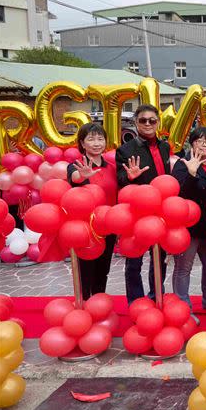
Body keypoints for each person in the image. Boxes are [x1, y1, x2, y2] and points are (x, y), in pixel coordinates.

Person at [116, 104, 171, 304]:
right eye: (143, 120)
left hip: (161, 210)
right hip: (136, 210)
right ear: (135, 123)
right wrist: (130, 177)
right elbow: (120, 178)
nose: (147, 124)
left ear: (158, 123)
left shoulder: (165, 146)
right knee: (134, 260)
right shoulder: (125, 149)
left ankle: (156, 296)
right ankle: (135, 301)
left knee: (160, 259)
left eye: (152, 120)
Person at [171, 127, 206, 315]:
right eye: (200, 140)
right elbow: (179, 194)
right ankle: (182, 306)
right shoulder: (183, 164)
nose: (205, 143)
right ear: (192, 144)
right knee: (184, 268)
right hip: (189, 228)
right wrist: (191, 174)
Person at [67, 122, 118, 299]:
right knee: (86, 271)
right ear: (82, 143)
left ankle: (99, 304)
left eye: (100, 138)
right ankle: (85, 306)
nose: (97, 143)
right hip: (87, 229)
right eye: (91, 139)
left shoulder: (112, 166)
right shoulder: (77, 165)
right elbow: (74, 178)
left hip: (109, 225)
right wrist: (83, 175)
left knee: (103, 269)